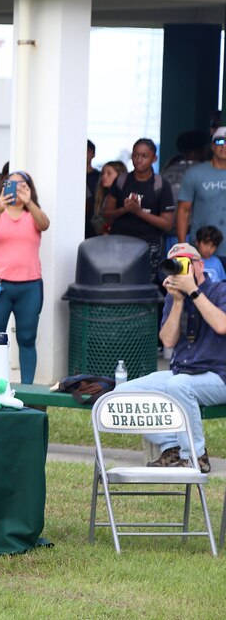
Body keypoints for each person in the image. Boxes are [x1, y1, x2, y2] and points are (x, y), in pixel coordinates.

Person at [113, 242, 226, 474]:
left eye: (184, 264)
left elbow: (221, 325)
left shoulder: (220, 291)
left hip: (219, 376)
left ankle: (196, 456)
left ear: (200, 266)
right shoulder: (175, 297)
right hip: (183, 373)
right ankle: (171, 445)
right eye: (174, 266)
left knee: (178, 385)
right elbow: (168, 341)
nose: (178, 271)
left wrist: (194, 291)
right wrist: (176, 300)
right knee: (120, 394)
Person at [0, 170, 50, 384]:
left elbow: (44, 224)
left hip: (29, 286)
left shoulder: (34, 215)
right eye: (11, 185)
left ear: (29, 189)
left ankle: (27, 390)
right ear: (3, 187)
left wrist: (30, 203)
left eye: (22, 186)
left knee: (27, 338)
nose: (16, 190)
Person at [102, 138, 175, 282]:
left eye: (144, 156)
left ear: (154, 158)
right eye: (135, 155)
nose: (139, 160)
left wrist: (138, 212)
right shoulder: (122, 181)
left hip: (148, 246)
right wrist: (124, 209)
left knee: (144, 286)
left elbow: (167, 224)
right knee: (118, 283)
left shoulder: (161, 185)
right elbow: (106, 214)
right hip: (119, 243)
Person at [177, 126, 226, 258]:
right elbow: (183, 211)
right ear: (212, 146)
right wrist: (182, 246)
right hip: (201, 249)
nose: (224, 146)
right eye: (220, 141)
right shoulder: (194, 173)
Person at [87, 160, 126, 236]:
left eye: (109, 173)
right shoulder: (101, 196)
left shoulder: (124, 197)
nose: (104, 176)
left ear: (120, 175)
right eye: (103, 173)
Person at [86, 139, 101, 238]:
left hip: (96, 223)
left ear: (93, 154)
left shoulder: (100, 176)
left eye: (87, 151)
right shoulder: (72, 176)